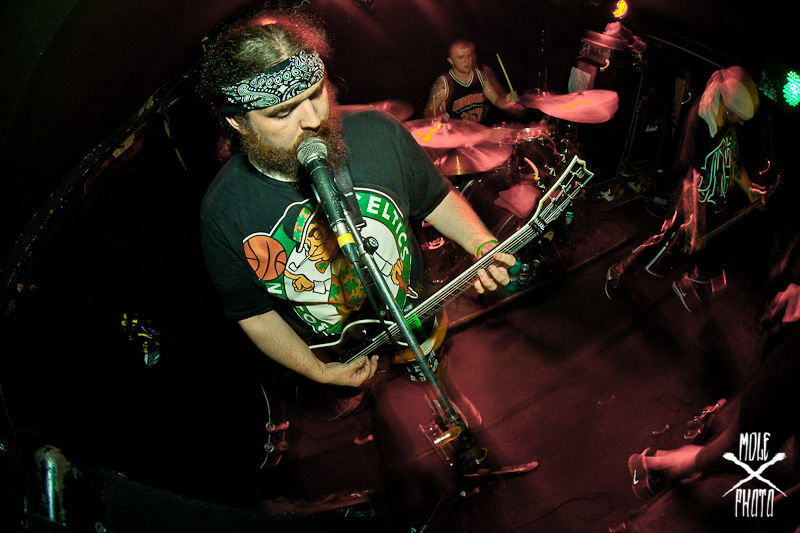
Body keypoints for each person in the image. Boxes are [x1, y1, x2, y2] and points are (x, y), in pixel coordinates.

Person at [198, 13, 514, 427]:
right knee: (381, 424)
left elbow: (436, 199)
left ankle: (452, 407)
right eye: (283, 113)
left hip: (414, 314)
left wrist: (482, 244)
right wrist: (319, 371)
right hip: (340, 353)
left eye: (316, 93)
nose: (313, 120)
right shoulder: (224, 211)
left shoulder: (378, 133)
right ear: (237, 122)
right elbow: (252, 312)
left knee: (440, 380)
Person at [604, 66, 766, 311]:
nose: (742, 122)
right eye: (739, 116)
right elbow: (693, 180)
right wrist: (696, 224)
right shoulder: (699, 120)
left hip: (714, 199)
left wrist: (748, 189)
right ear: (727, 108)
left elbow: (733, 158)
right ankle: (619, 270)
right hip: (691, 200)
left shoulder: (729, 119)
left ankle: (687, 283)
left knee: (699, 249)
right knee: (663, 242)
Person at [423, 39, 521, 124]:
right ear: (451, 61)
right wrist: (436, 120)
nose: (466, 61)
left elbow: (496, 100)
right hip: (456, 135)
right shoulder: (443, 83)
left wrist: (507, 102)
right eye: (461, 57)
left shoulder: (480, 76)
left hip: (479, 131)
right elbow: (429, 110)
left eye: (468, 56)